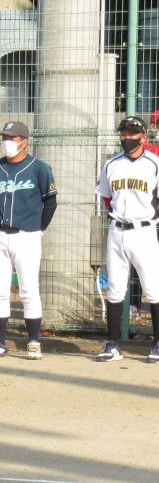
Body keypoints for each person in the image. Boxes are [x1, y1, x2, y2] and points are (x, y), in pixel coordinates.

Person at [0, 121, 58, 360]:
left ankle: (34, 342)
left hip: (28, 235)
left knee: (28, 290)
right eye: (4, 137)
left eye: (11, 138)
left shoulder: (39, 168)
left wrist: (39, 228)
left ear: (24, 141)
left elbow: (50, 203)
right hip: (0, 234)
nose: (7, 142)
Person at [95, 116, 159, 362]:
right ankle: (112, 345)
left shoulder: (154, 163)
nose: (127, 137)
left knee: (153, 290)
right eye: (123, 133)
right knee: (115, 290)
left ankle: (157, 344)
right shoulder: (112, 164)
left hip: (144, 230)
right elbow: (107, 198)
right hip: (116, 230)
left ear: (143, 137)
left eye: (133, 133)